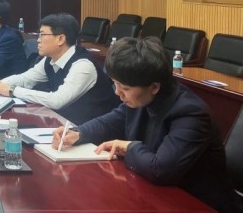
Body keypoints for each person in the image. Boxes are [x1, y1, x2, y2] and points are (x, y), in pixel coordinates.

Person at [52, 37, 242, 213]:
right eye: (115, 84)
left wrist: (130, 147)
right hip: (158, 195)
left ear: (154, 87)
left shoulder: (190, 113)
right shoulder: (141, 98)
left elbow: (160, 170)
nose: (117, 92)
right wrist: (78, 133)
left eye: (125, 88)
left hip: (198, 203)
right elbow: (110, 121)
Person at [0, 13, 119, 125]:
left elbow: (57, 101)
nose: (38, 40)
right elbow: (26, 78)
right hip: (67, 125)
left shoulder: (83, 66)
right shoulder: (50, 59)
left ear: (60, 39)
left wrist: (12, 90)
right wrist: (0, 84)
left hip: (96, 134)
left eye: (42, 35)